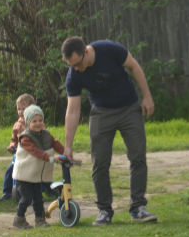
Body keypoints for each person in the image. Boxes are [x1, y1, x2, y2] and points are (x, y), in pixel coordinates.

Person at [61, 37, 157, 226]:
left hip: (129, 107)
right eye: (72, 66)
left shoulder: (109, 49)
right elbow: (73, 110)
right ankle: (104, 210)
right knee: (100, 163)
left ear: (86, 52)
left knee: (138, 156)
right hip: (101, 113)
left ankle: (138, 207)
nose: (77, 69)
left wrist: (147, 96)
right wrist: (68, 147)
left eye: (78, 64)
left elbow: (134, 67)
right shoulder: (74, 74)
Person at [11, 105, 73, 229]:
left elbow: (56, 145)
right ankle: (19, 218)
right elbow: (35, 151)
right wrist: (49, 158)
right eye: (34, 121)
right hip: (23, 175)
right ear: (28, 122)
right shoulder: (25, 137)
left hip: (35, 174)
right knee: (27, 197)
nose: (38, 123)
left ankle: (40, 220)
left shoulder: (46, 135)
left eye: (40, 120)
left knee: (38, 198)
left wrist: (68, 155)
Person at [0, 93, 35, 202]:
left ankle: (49, 188)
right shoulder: (17, 125)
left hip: (32, 155)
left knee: (38, 172)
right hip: (19, 155)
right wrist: (12, 146)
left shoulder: (36, 123)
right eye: (19, 109)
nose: (21, 112)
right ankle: (7, 192)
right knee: (10, 171)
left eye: (24, 109)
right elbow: (14, 139)